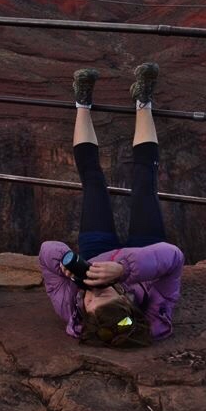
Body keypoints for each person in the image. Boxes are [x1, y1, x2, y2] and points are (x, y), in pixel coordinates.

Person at [39, 63, 184, 348]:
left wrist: (65, 264)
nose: (91, 292)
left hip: (96, 252)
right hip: (145, 253)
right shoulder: (155, 312)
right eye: (103, 295)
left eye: (88, 300)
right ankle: (143, 101)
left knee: (93, 182)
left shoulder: (72, 309)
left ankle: (82, 103)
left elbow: (46, 252)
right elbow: (173, 258)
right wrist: (124, 270)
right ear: (126, 302)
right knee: (144, 183)